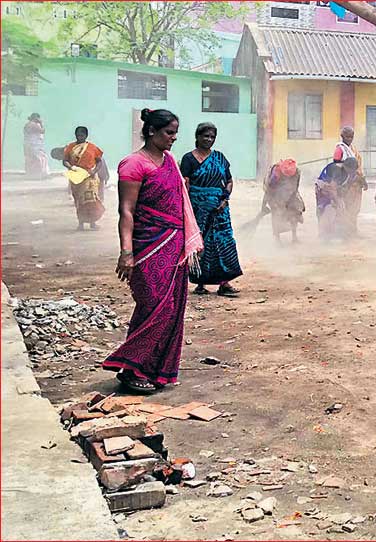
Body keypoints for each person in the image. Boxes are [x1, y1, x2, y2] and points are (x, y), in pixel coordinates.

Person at [103, 108, 203, 393]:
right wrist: (126, 252)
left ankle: (151, 370)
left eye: (175, 133)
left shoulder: (169, 161)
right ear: (151, 131)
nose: (173, 138)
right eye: (168, 132)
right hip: (148, 247)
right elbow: (126, 211)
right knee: (154, 308)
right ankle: (132, 367)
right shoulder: (133, 164)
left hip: (174, 249)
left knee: (171, 310)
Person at [180, 123, 243, 297]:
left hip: (220, 209)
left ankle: (225, 283)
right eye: (205, 136)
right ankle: (200, 283)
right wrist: (190, 207)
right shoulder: (188, 159)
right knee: (200, 244)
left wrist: (225, 199)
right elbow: (185, 184)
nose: (208, 139)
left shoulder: (220, 158)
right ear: (197, 136)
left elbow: (229, 181)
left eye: (212, 137)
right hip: (197, 209)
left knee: (223, 243)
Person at [61, 126, 105, 230]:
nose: (79, 137)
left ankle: (92, 223)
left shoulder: (92, 148)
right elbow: (65, 161)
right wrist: (71, 167)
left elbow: (99, 162)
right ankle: (81, 223)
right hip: (76, 178)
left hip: (90, 177)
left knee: (91, 201)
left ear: (86, 136)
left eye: (82, 135)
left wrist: (94, 171)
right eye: (78, 135)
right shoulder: (70, 147)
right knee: (79, 201)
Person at [333, 126, 367, 237]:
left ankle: (353, 230)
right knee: (346, 207)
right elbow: (337, 167)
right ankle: (345, 232)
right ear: (342, 136)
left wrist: (363, 180)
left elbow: (358, 166)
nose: (349, 139)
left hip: (356, 184)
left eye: (351, 136)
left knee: (355, 208)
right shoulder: (340, 149)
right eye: (347, 136)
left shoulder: (353, 148)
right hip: (346, 184)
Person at [262, 158, 305, 244]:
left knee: (296, 210)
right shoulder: (275, 175)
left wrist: (298, 202)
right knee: (277, 214)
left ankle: (294, 237)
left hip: (290, 194)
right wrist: (263, 206)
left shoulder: (297, 172)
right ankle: (277, 239)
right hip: (274, 195)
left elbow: (295, 187)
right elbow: (269, 191)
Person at [316, 157, 359, 240]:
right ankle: (323, 234)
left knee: (341, 208)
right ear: (346, 167)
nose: (352, 172)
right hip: (323, 189)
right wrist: (337, 201)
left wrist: (340, 199)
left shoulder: (348, 172)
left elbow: (343, 187)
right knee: (327, 209)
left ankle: (339, 232)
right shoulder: (337, 170)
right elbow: (332, 188)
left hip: (334, 188)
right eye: (351, 170)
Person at [23, 113, 49, 179]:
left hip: (29, 144)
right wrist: (41, 123)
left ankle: (31, 175)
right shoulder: (33, 125)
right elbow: (42, 131)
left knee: (31, 159)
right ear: (36, 118)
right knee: (40, 159)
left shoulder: (28, 124)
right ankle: (39, 175)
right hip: (34, 145)